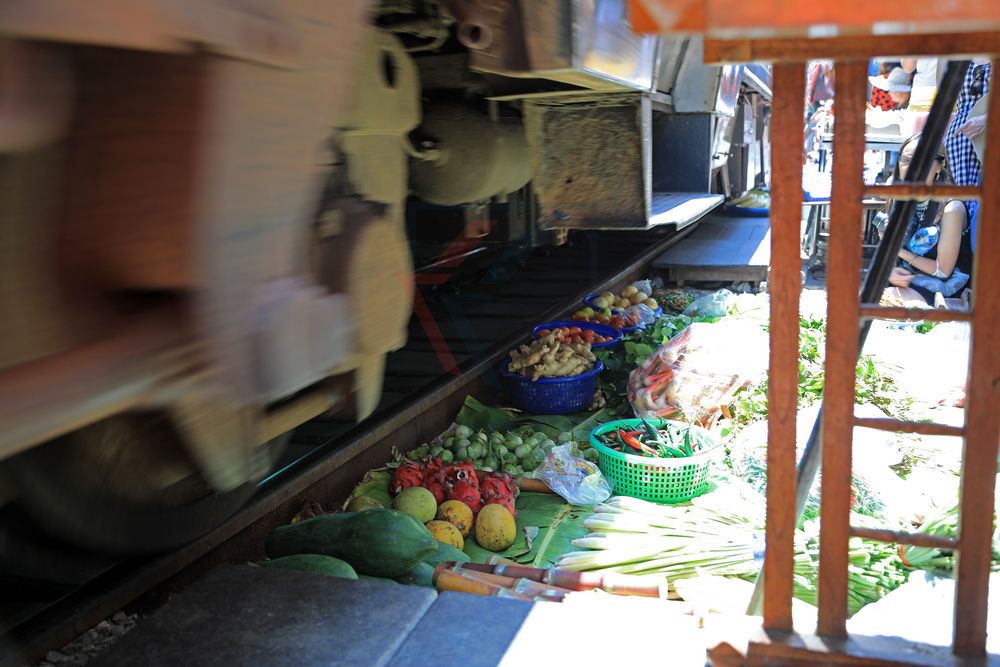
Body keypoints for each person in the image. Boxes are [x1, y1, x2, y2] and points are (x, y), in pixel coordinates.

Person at [884, 134, 974, 305]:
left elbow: (943, 271)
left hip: (946, 288)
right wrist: (891, 271)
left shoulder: (951, 208)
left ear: (940, 166)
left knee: (884, 300)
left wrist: (896, 249)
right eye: (906, 160)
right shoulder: (898, 195)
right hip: (909, 278)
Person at [944, 60, 990, 252]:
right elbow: (944, 99)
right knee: (961, 210)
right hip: (959, 143)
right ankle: (962, 266)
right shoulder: (958, 53)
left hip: (989, 141)